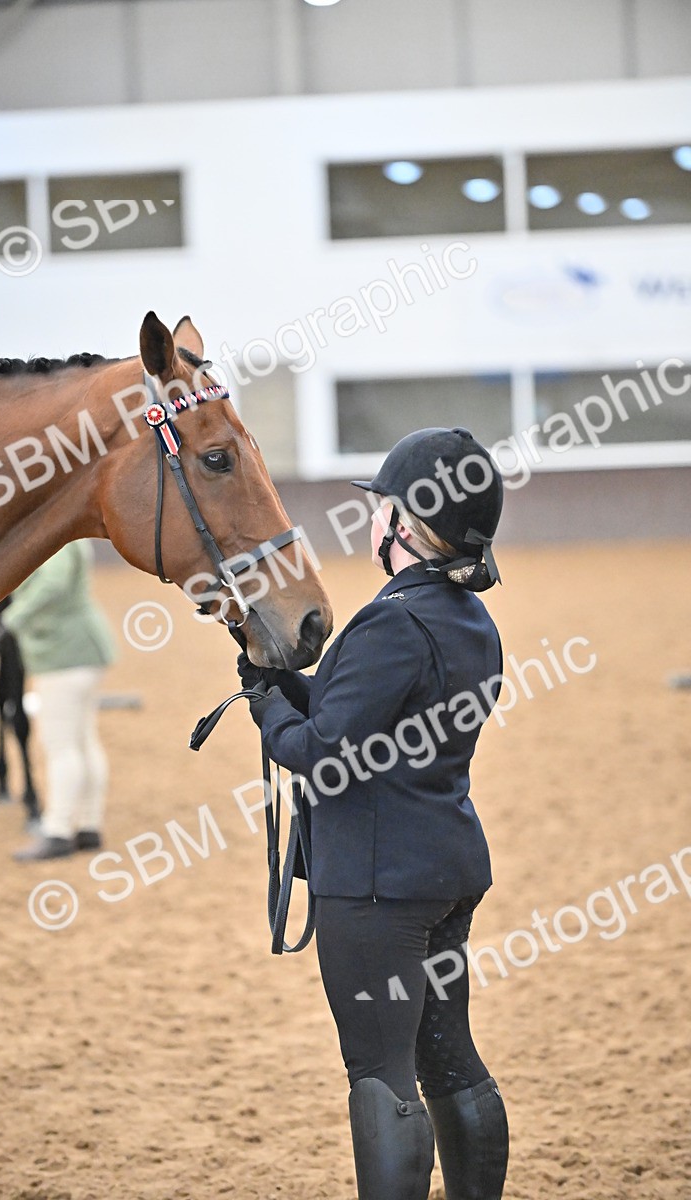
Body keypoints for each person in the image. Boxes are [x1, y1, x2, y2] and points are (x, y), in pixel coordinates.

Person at [238, 427, 509, 1199]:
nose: (370, 519)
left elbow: (322, 750)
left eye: (380, 506)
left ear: (405, 522)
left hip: (376, 886)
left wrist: (264, 705)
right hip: (443, 870)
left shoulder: (390, 620)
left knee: (381, 1074)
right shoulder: (467, 617)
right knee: (450, 1058)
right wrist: (284, 685)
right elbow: (366, 717)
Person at [3, 540, 116, 862]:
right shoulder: (71, 537)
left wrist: (11, 620)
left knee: (60, 745)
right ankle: (89, 825)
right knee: (83, 741)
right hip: (80, 649)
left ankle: (58, 831)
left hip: (63, 653)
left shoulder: (59, 539)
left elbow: (53, 582)